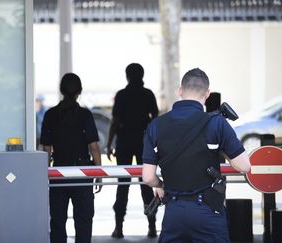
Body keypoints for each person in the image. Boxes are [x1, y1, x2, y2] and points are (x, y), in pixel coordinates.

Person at [142, 68, 251, 242]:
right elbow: (244, 166)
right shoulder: (217, 123)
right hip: (207, 211)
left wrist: (161, 184)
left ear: (180, 91)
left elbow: (148, 177)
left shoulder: (156, 125)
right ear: (207, 94)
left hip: (173, 212)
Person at [40, 73, 102, 243]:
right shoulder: (85, 115)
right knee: (83, 222)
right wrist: (99, 173)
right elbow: (94, 147)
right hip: (82, 174)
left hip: (58, 174)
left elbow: (46, 148)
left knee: (58, 222)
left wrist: (46, 173)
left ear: (61, 90)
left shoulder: (50, 115)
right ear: (79, 91)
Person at [106, 63, 159, 239]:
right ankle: (152, 227)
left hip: (124, 143)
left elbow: (115, 121)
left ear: (127, 76)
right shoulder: (148, 94)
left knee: (123, 185)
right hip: (144, 143)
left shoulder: (122, 95)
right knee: (147, 184)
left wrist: (109, 143)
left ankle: (118, 228)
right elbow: (155, 120)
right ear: (142, 75)